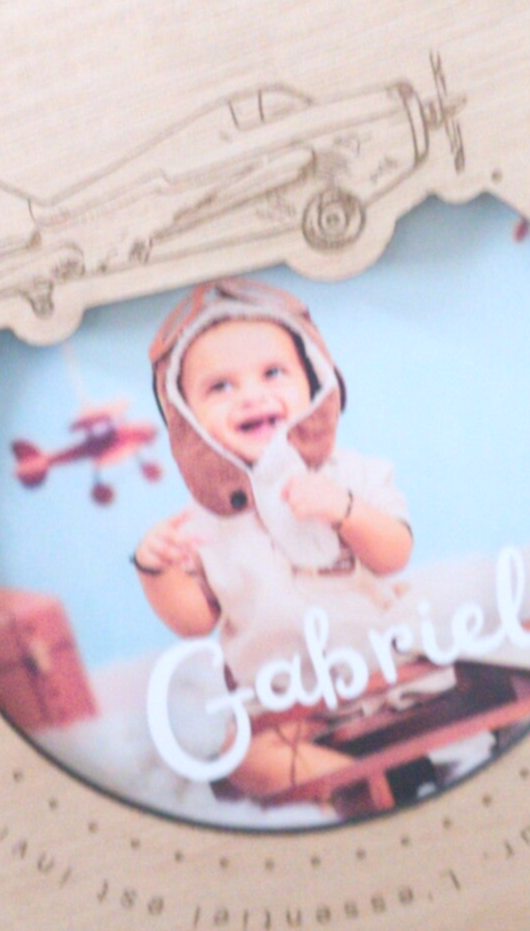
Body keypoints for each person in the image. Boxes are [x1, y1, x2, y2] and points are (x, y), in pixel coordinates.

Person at [133, 278, 428, 806]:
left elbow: (393, 555)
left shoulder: (352, 473)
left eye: (273, 373)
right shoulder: (204, 521)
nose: (251, 395)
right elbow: (195, 619)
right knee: (242, 759)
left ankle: (388, 772)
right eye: (219, 387)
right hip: (286, 701)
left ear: (314, 381)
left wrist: (345, 510)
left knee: (458, 668)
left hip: (382, 669)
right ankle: (364, 788)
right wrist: (156, 571)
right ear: (186, 416)